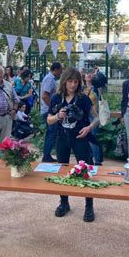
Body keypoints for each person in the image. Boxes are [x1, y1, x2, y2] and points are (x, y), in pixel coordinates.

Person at [48, 68, 100, 222]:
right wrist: (58, 116)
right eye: (70, 81)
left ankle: (89, 205)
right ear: (64, 81)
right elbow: (49, 120)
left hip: (80, 137)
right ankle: (64, 203)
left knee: (85, 170)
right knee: (62, 169)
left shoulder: (83, 98)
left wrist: (89, 128)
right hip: (62, 138)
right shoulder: (57, 98)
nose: (72, 84)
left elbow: (96, 118)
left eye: (76, 81)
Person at [40, 62, 62, 162]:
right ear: (56, 69)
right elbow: (45, 96)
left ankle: (47, 154)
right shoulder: (50, 79)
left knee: (52, 133)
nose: (61, 72)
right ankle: (47, 155)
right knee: (51, 134)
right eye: (60, 70)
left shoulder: (50, 78)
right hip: (48, 111)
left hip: (48, 110)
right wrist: (52, 108)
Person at [83, 71, 103, 165]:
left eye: (91, 73)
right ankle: (89, 159)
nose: (88, 75)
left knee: (93, 138)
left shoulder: (97, 88)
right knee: (86, 138)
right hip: (84, 115)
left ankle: (98, 160)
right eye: (87, 73)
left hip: (94, 115)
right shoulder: (82, 88)